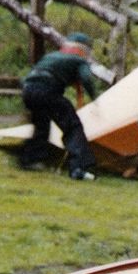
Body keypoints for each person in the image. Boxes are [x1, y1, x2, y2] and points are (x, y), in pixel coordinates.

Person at [18, 32, 105, 181]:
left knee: (41, 124)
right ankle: (78, 167)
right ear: (83, 50)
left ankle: (29, 159)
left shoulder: (51, 56)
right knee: (72, 126)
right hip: (47, 91)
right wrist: (95, 98)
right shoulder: (78, 60)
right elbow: (86, 78)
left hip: (28, 90)